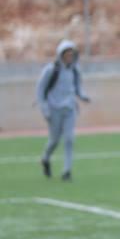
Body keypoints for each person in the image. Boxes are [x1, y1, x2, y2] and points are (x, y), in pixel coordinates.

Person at [36, 39, 91, 181]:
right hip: (54, 109)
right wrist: (44, 108)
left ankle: (67, 171)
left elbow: (77, 87)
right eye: (67, 54)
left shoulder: (74, 70)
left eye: (72, 54)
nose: (69, 56)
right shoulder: (51, 70)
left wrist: (83, 96)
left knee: (69, 139)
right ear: (61, 54)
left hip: (70, 109)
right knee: (54, 140)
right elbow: (40, 90)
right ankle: (45, 158)